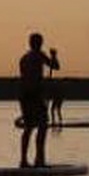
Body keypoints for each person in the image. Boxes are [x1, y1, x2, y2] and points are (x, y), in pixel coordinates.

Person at [18, 33, 60, 168]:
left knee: (29, 128)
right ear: (39, 44)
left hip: (25, 96)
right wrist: (53, 55)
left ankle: (24, 160)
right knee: (42, 126)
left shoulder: (24, 58)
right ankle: (39, 160)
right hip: (34, 96)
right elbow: (55, 66)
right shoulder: (39, 55)